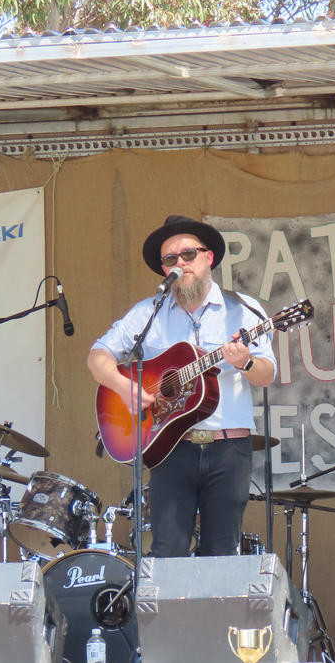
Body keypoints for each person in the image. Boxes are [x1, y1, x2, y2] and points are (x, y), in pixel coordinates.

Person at [88, 215, 276, 557]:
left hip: (228, 450)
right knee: (167, 551)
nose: (181, 263)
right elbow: (97, 356)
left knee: (221, 551)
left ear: (209, 258)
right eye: (171, 259)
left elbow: (265, 375)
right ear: (164, 269)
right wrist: (121, 385)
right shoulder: (149, 313)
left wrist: (244, 362)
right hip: (171, 448)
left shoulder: (244, 311)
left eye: (188, 254)